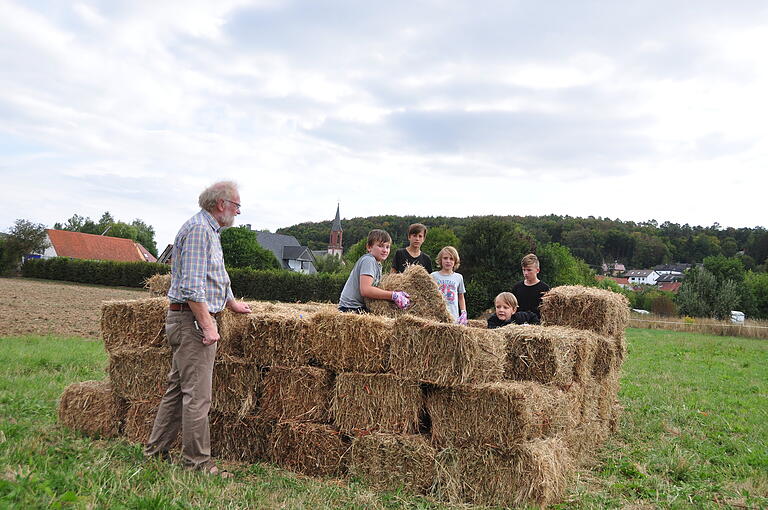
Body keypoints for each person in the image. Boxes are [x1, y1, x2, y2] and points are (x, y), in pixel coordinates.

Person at [144, 181, 252, 477]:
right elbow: (192, 285)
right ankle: (197, 464)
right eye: (237, 206)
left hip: (189, 320)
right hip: (191, 323)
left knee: (178, 389)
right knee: (197, 396)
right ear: (221, 205)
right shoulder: (199, 231)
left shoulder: (209, 231)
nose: (238, 213)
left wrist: (230, 303)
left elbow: (214, 275)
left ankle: (156, 451)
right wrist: (207, 323)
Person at [338, 229, 410, 313]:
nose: (385, 250)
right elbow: (365, 290)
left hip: (359, 307)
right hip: (350, 308)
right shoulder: (369, 260)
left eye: (387, 247)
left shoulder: (378, 264)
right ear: (369, 247)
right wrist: (393, 295)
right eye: (380, 246)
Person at [430, 246, 467, 324]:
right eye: (445, 258)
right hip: (437, 316)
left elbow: (461, 296)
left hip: (454, 316)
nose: (448, 261)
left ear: (455, 261)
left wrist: (463, 312)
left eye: (451, 259)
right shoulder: (433, 276)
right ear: (440, 260)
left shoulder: (459, 277)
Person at [511, 253, 550, 323]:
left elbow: (547, 312)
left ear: (537, 270)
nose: (525, 273)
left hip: (537, 326)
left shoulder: (544, 288)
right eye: (524, 270)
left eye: (529, 270)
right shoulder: (516, 287)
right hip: (517, 325)